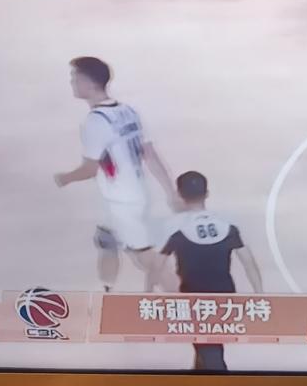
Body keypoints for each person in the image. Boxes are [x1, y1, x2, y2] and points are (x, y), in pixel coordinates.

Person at [55, 56, 177, 292]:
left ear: (89, 83)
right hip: (131, 194)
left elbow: (90, 169)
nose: (72, 83)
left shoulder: (95, 122)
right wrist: (169, 190)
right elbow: (150, 155)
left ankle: (186, 304)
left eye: (75, 78)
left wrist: (65, 178)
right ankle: (107, 292)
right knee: (107, 242)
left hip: (121, 201)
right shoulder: (128, 112)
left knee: (147, 258)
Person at [152, 171, 263, 372]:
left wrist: (145, 294)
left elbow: (156, 266)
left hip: (192, 297)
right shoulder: (226, 225)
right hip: (225, 295)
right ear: (207, 193)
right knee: (208, 344)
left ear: (179, 195)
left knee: (209, 349)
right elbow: (249, 263)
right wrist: (259, 294)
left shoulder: (175, 227)